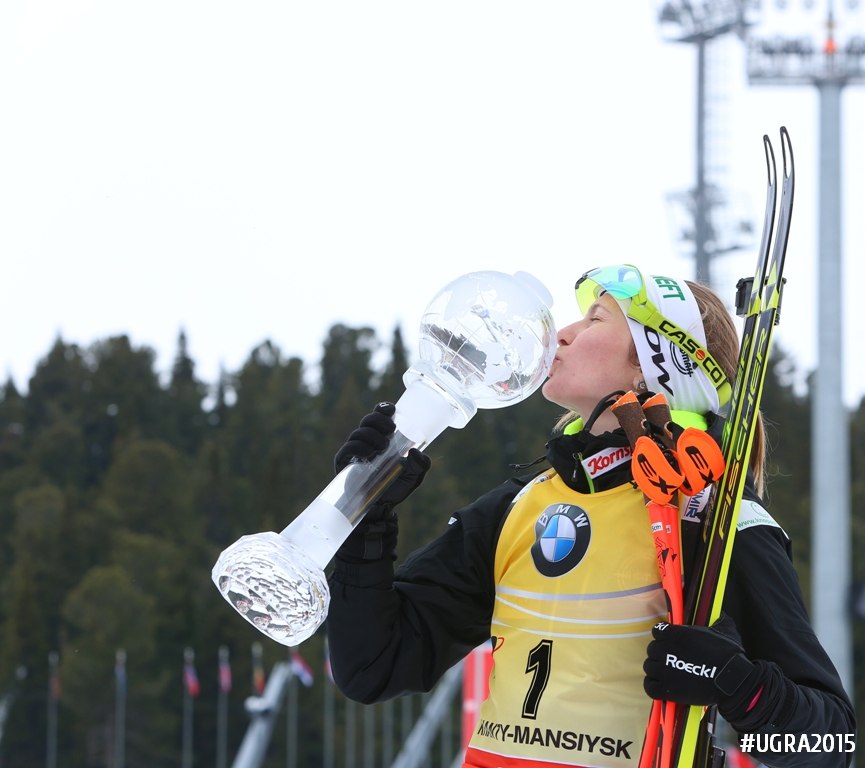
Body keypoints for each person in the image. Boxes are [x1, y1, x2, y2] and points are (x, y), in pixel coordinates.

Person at [325, 264, 856, 768]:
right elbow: (373, 666)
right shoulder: (517, 506)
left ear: (656, 369)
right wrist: (364, 520)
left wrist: (737, 684)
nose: (562, 333)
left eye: (596, 318)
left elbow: (828, 744)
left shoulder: (718, 523)